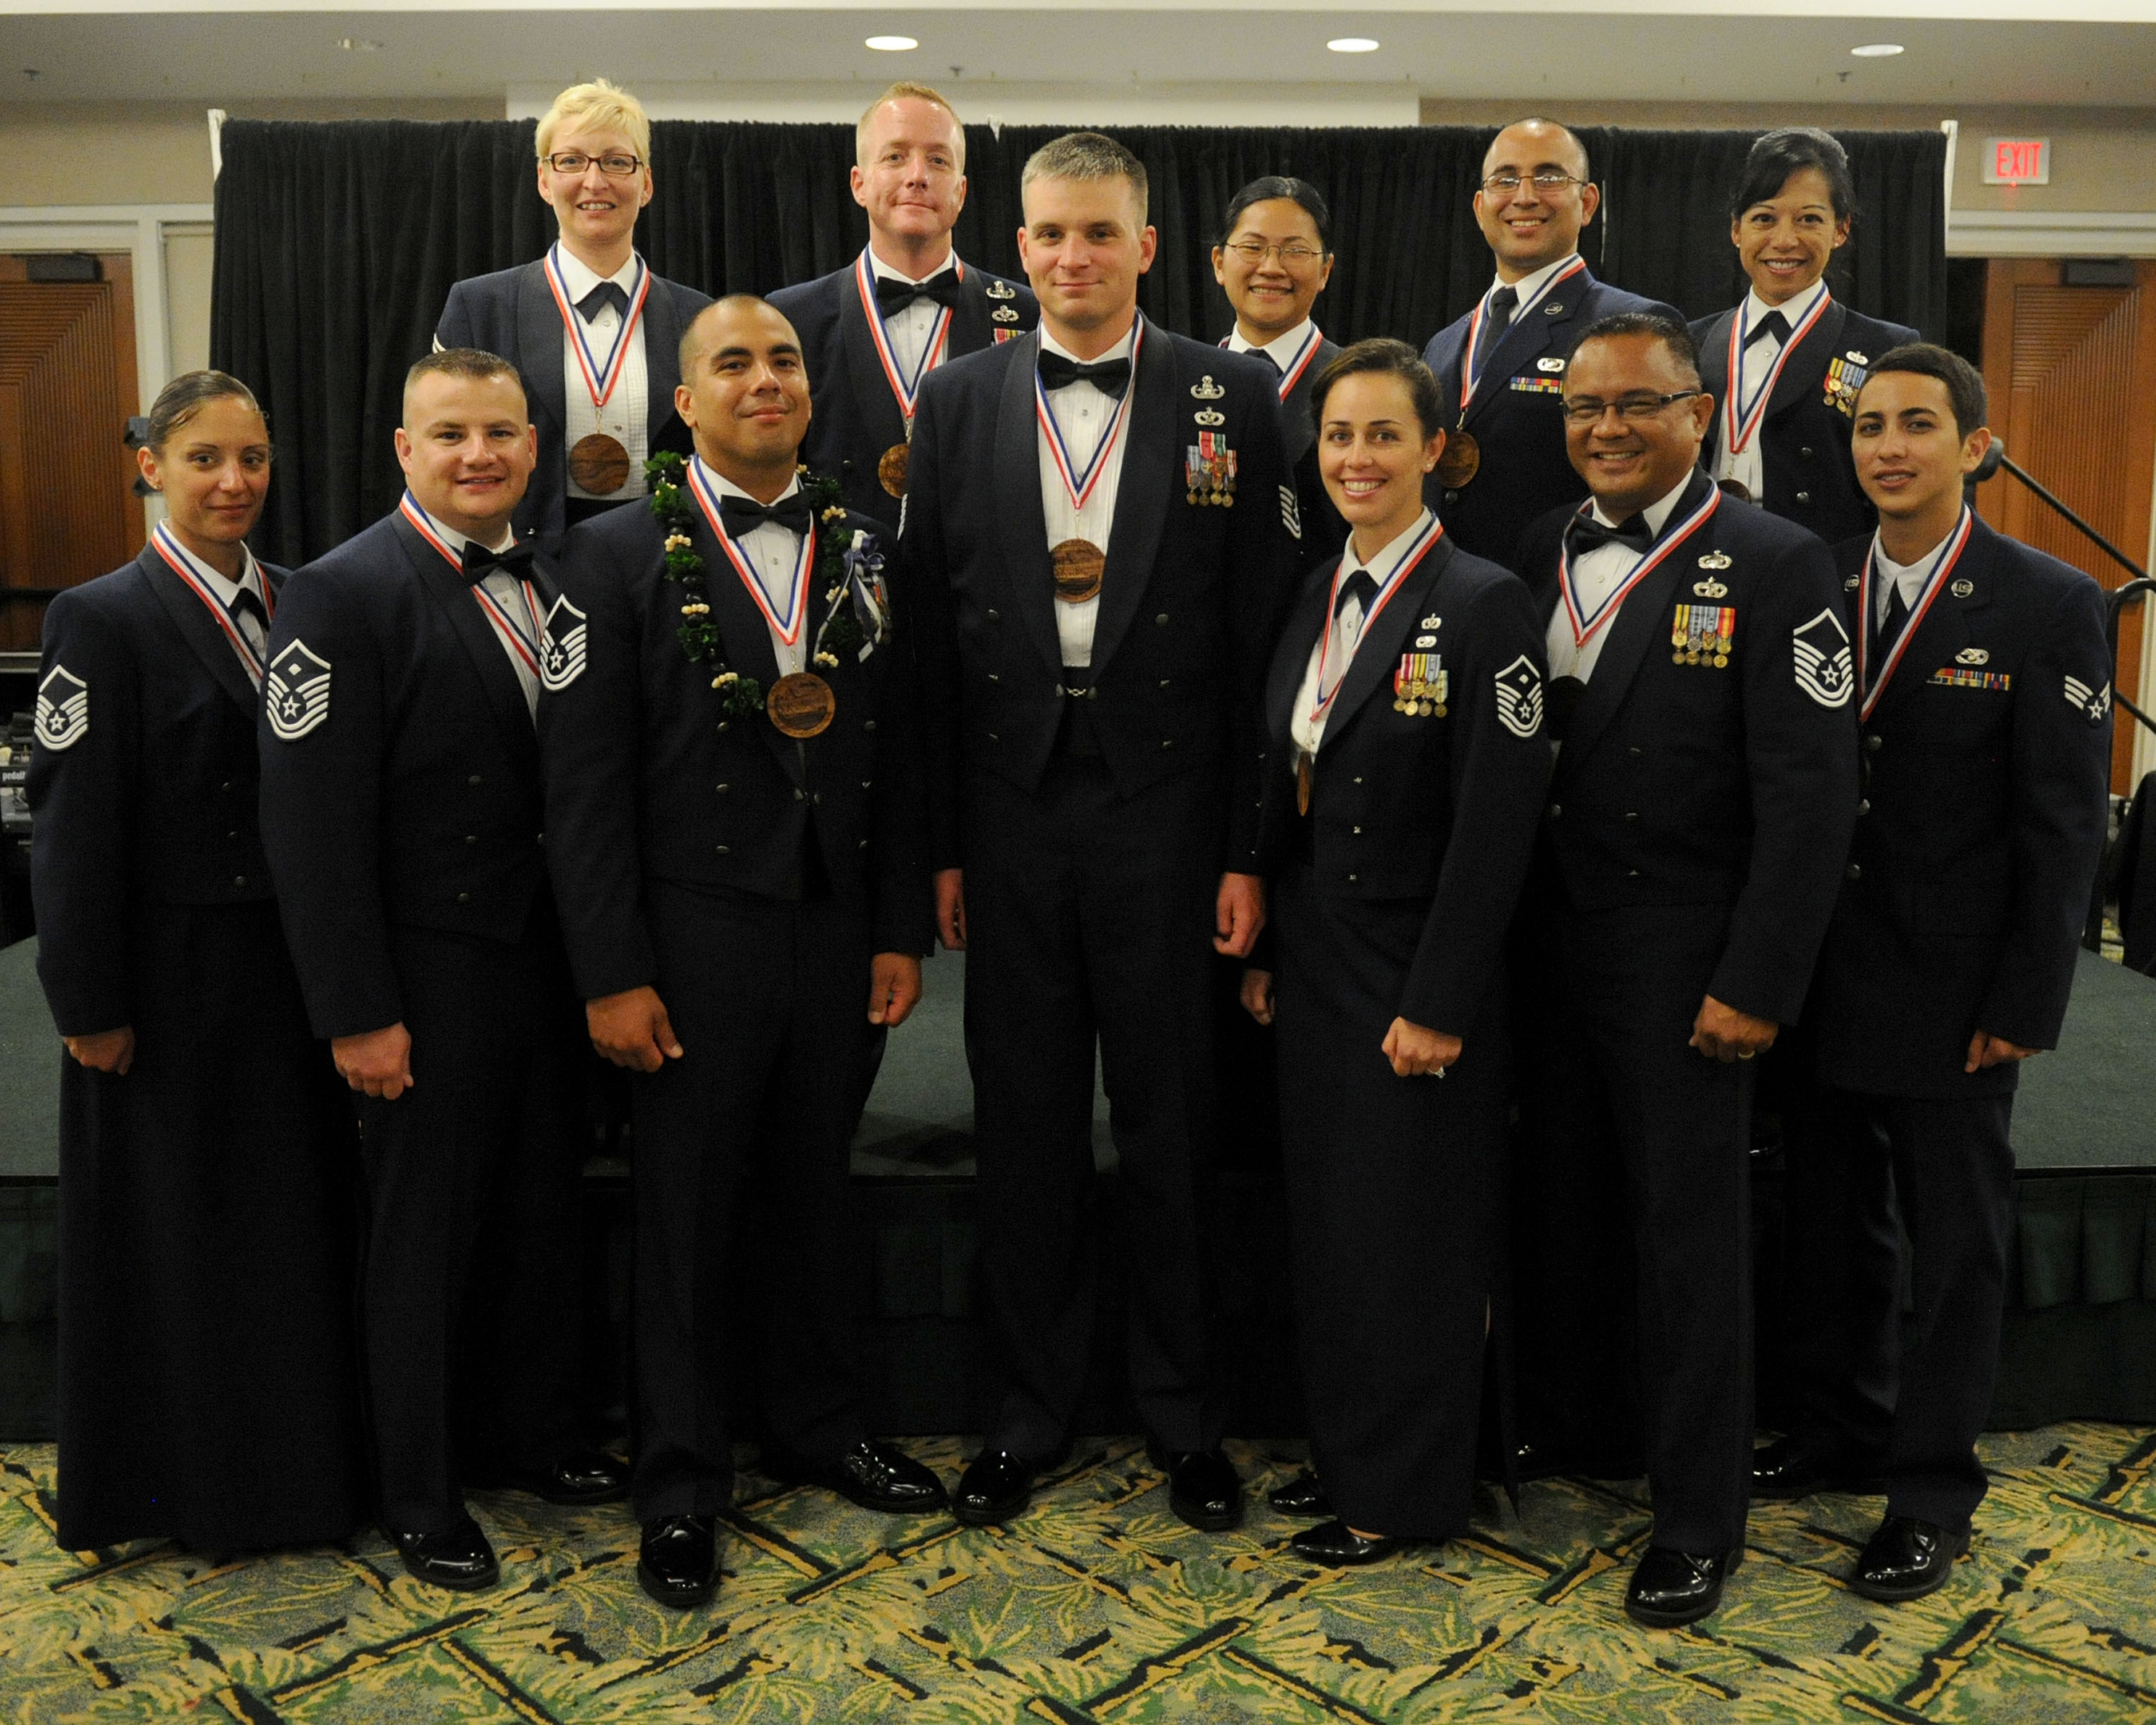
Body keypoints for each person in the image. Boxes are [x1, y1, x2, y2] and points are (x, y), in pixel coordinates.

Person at [902, 131, 1300, 1532]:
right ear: (1021, 248)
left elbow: (1269, 636)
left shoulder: (1232, 394)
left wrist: (1253, 848)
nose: (1073, 257)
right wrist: (942, 843)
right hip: (1011, 815)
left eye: (1100, 233)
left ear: (1146, 244)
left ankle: (1186, 1418)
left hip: (1173, 819)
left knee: (1172, 1124)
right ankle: (1025, 1413)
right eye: (1051, 234)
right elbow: (929, 653)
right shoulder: (955, 403)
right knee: (1023, 1128)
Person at [540, 295, 946, 1611]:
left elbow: (890, 754)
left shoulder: (868, 543)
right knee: (689, 1212)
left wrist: (892, 931)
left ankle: (820, 1425)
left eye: (782, 361)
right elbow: (582, 790)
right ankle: (680, 1479)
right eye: (733, 363)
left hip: (833, 927)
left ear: (809, 395)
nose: (763, 380)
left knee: (813, 1191)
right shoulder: (603, 559)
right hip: (688, 934)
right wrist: (610, 968)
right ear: (685, 399)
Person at [259, 349, 627, 1592]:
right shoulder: (341, 591)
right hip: (422, 981)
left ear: (534, 445)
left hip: (544, 970)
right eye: (450, 435)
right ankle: (419, 1488)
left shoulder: (570, 571)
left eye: (501, 434)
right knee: (422, 1243)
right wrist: (358, 1012)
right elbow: (309, 830)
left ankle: (530, 1438)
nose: (479, 456)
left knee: (538, 1218)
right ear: (404, 450)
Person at [1509, 313, 1857, 1626]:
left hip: (1686, 963)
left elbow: (1813, 797)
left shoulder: (1778, 564)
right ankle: (1588, 1429)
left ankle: (1700, 1516)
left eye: (1637, 404)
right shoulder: (1534, 548)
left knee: (1690, 1244)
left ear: (1698, 412)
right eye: (1586, 406)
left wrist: (1759, 981)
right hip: (1545, 953)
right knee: (1569, 1212)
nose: (1606, 427)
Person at [1762, 344, 2111, 1602]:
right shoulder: (1811, 581)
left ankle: (1930, 1489)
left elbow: (2065, 825)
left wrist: (2024, 1002)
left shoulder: (2048, 599)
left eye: (1918, 425)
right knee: (1828, 1228)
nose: (1887, 448)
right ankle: (1842, 1430)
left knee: (1954, 1249)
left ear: (1975, 447)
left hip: (1956, 995)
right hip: (1817, 979)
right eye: (1869, 428)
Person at [27, 371, 367, 1555]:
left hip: (283, 976)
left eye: (255, 460)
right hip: (166, 986)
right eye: (206, 459)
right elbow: (73, 830)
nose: (235, 483)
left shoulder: (304, 600)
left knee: (281, 1238)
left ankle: (295, 1478)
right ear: (150, 466)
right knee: (181, 1243)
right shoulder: (103, 615)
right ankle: (194, 1494)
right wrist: (89, 1000)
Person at [1238, 340, 1550, 1563]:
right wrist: (1269, 940)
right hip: (1319, 953)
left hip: (1417, 968)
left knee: (1411, 1237)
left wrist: (1442, 997)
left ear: (1437, 451)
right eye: (1336, 437)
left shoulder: (1484, 601)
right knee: (1337, 1226)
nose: (1355, 458)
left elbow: (1498, 821)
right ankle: (1356, 1454)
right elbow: (1291, 775)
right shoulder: (1316, 589)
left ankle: (1406, 1498)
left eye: (1381, 436)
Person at [436, 80, 711, 549]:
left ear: (645, 184)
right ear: (545, 180)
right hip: (524, 560)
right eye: (571, 161)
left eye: (616, 161)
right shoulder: (477, 308)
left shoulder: (701, 318)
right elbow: (444, 453)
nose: (594, 181)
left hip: (665, 564)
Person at [771, 80, 1038, 533]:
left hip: (980, 585)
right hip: (838, 576)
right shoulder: (789, 319)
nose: (918, 175)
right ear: (859, 183)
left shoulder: (1030, 315)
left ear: (961, 190)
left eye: (938, 160)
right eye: (895, 157)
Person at [1421, 118, 1679, 574]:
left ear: (1588, 202)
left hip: (1570, 589)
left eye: (1549, 177)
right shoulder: (1443, 344)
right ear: (1480, 208)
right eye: (1506, 179)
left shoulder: (1632, 328)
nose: (1524, 196)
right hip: (1448, 596)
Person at [1692, 128, 1920, 546]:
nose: (1784, 240)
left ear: (1840, 229)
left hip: (1824, 567)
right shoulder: (1689, 342)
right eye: (1764, 218)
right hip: (1702, 558)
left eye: (1809, 220)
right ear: (1736, 230)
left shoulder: (1888, 350)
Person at [1212, 175, 1347, 567]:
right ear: (1220, 263)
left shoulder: (1354, 385)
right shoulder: (1186, 380)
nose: (1271, 268)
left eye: (1295, 251)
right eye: (1252, 248)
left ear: (1325, 271)